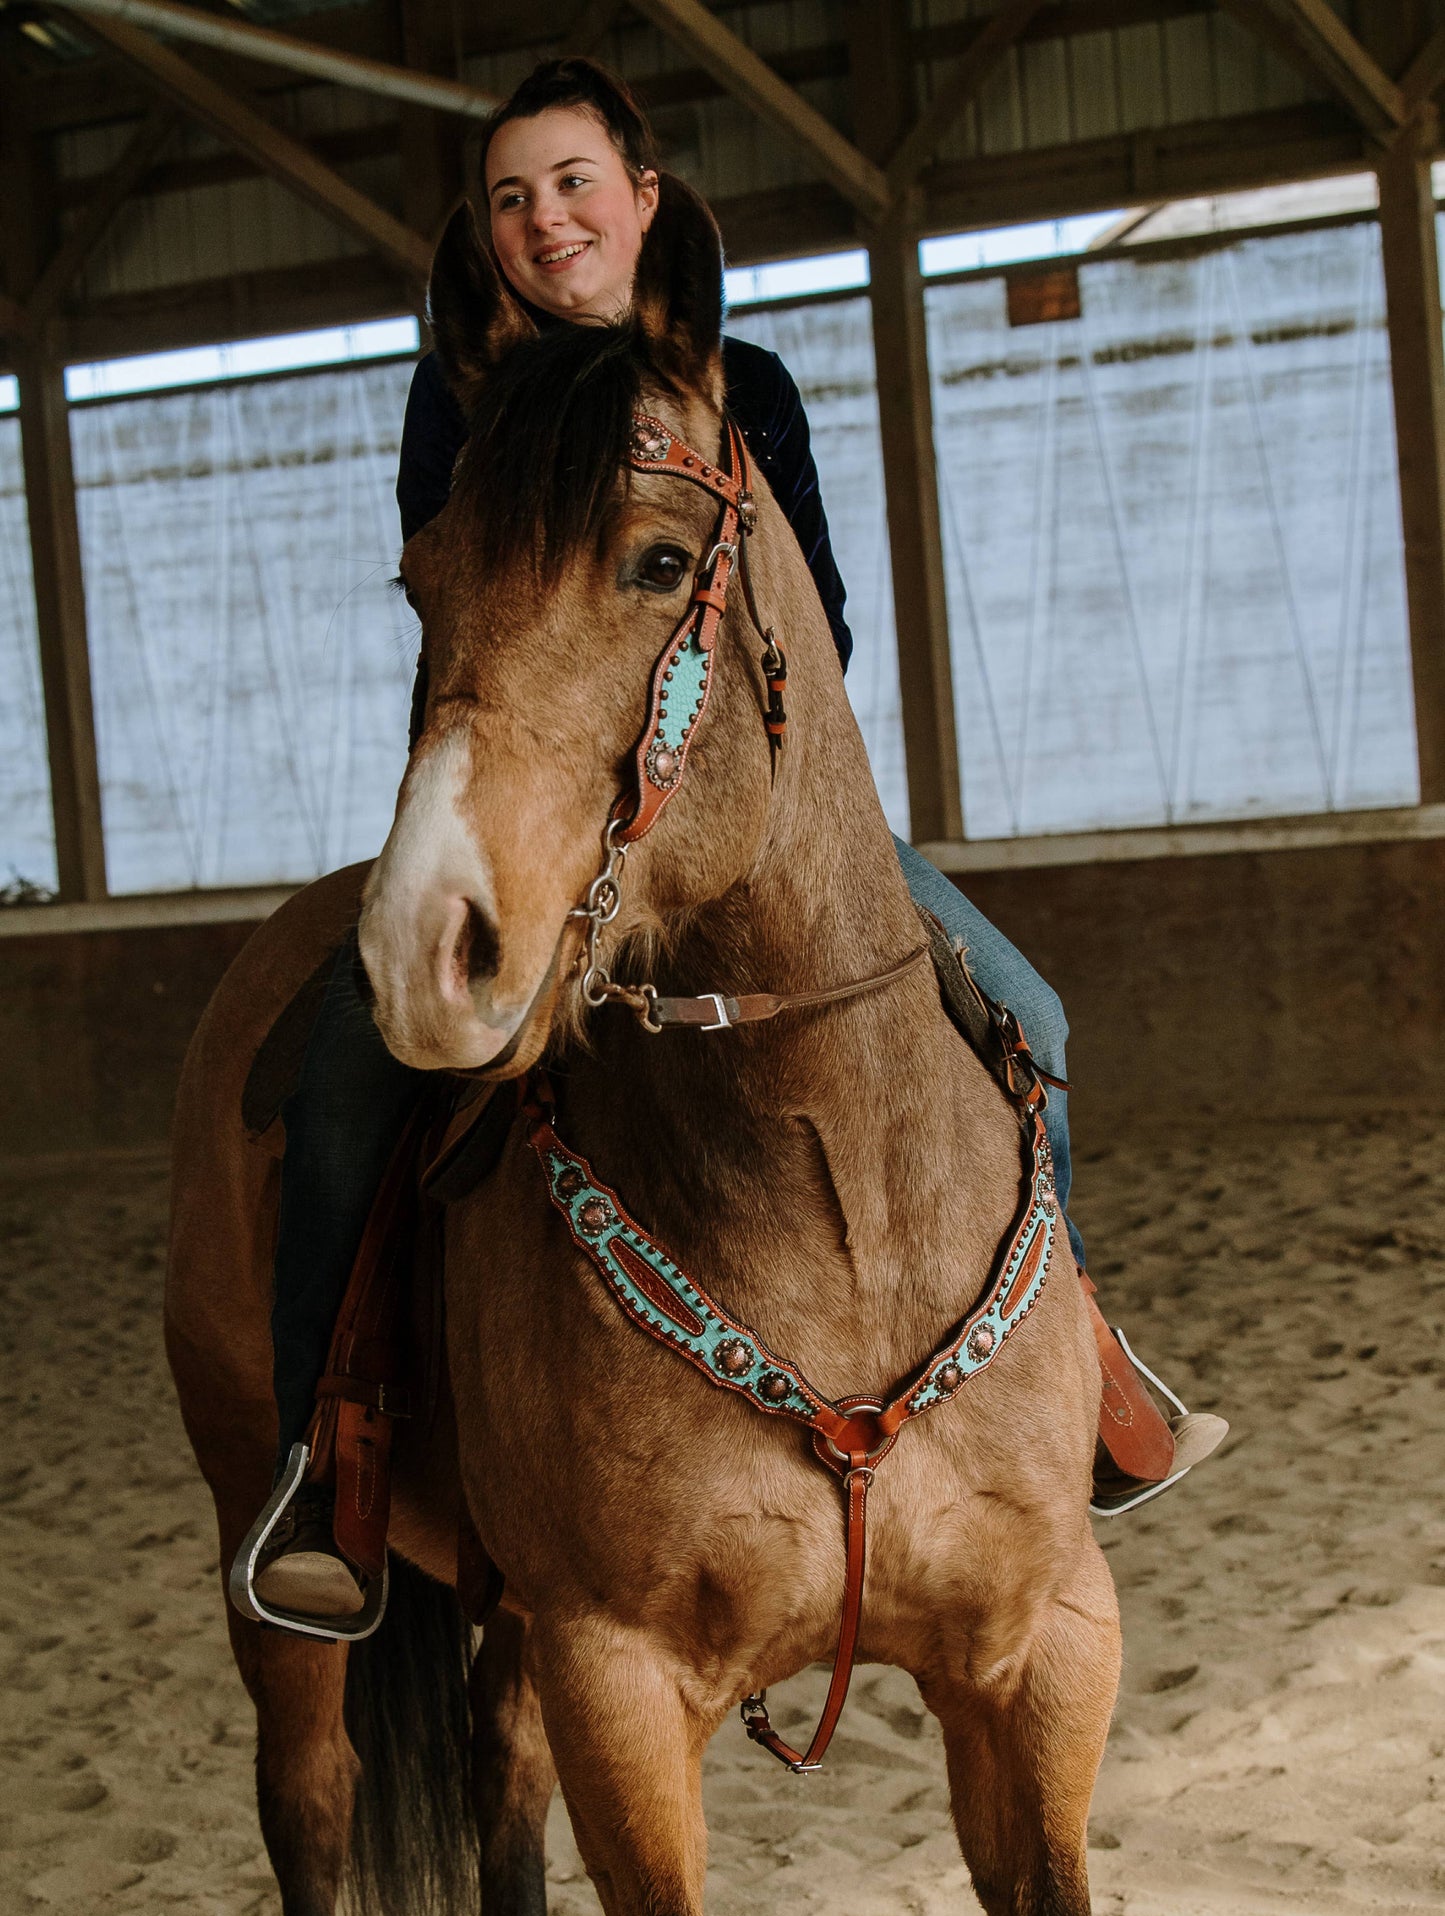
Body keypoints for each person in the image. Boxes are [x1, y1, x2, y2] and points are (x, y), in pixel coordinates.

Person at [246, 59, 1227, 1632]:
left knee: (1028, 1014)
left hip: (739, 797)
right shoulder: (467, 398)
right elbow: (471, 618)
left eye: (569, 182)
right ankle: (332, 1454)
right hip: (540, 796)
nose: (540, 219)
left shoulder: (745, 384)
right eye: (508, 198)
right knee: (344, 1077)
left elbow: (818, 626)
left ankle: (1094, 1377)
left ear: (642, 197)